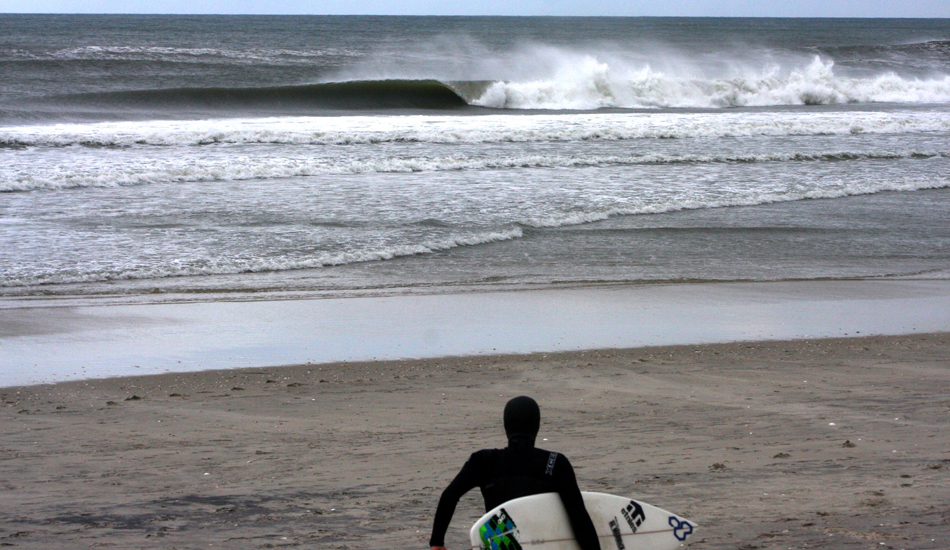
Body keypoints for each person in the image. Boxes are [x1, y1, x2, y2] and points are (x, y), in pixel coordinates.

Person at [429, 396, 601, 550]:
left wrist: (437, 543)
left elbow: (449, 496)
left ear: (506, 426)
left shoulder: (483, 461)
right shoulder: (555, 463)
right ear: (537, 426)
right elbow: (578, 517)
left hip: (501, 542)